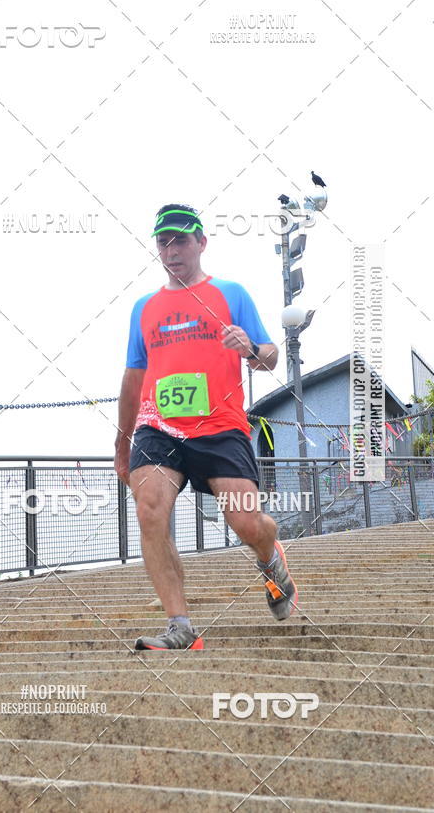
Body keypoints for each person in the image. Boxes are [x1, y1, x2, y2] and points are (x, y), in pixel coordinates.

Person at [114, 204, 298, 650]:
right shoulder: (145, 308)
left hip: (220, 428)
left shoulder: (230, 294)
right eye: (164, 241)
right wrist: (123, 441)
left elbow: (269, 357)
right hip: (160, 428)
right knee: (149, 508)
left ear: (201, 242)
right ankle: (181, 628)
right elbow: (134, 377)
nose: (172, 249)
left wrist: (250, 344)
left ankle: (271, 558)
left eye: (181, 240)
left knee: (247, 522)